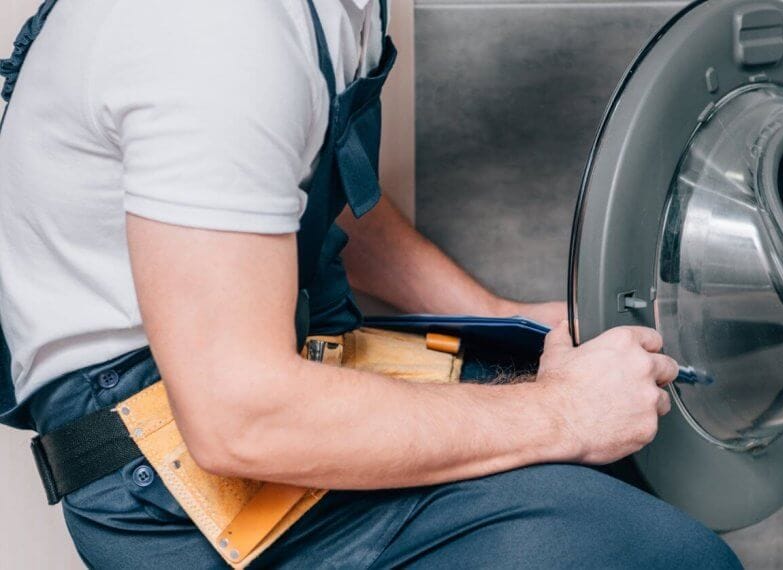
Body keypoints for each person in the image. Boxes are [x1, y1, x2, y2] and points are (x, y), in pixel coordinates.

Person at [0, 0, 741, 568]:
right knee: (658, 557)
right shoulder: (220, 30)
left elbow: (299, 200)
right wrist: (563, 413)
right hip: (167, 467)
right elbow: (239, 418)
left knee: (630, 461)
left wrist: (501, 317)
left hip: (261, 375)